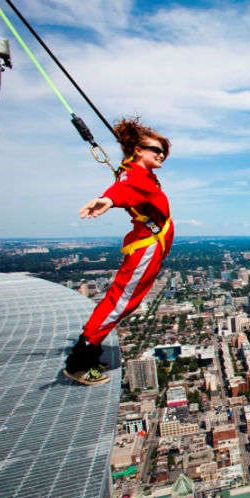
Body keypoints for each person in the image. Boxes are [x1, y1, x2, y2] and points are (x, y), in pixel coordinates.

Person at [64, 118, 174, 385]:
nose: (160, 154)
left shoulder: (137, 172)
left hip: (149, 246)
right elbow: (125, 190)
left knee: (123, 301)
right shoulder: (135, 175)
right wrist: (109, 199)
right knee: (120, 302)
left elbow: (130, 186)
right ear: (137, 150)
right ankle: (80, 361)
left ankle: (90, 347)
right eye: (154, 149)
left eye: (162, 151)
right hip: (145, 247)